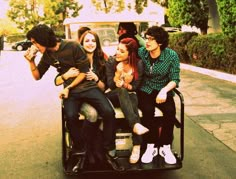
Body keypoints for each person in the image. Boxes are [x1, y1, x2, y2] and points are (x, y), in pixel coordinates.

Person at [24, 24, 124, 172]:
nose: (34, 46)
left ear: (43, 39)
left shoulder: (72, 46)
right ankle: (80, 152)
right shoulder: (47, 56)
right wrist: (30, 61)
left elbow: (83, 72)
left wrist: (68, 87)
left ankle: (110, 152)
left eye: (34, 42)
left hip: (88, 88)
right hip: (71, 93)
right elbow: (37, 76)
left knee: (109, 113)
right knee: (70, 116)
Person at [137, 26, 180, 165]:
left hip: (163, 88)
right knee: (148, 111)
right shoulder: (142, 52)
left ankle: (165, 146)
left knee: (170, 111)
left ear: (160, 42)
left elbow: (175, 79)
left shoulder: (171, 55)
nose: (147, 42)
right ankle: (151, 145)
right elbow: (126, 55)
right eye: (146, 38)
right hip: (146, 88)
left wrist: (164, 91)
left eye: (151, 39)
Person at [105, 38, 149, 164]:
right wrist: (118, 74)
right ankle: (136, 128)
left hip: (129, 96)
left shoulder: (138, 64)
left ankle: (136, 146)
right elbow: (111, 85)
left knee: (132, 96)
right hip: (112, 95)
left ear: (130, 54)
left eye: (122, 51)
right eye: (117, 49)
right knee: (122, 91)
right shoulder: (111, 61)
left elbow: (135, 87)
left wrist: (126, 84)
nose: (117, 52)